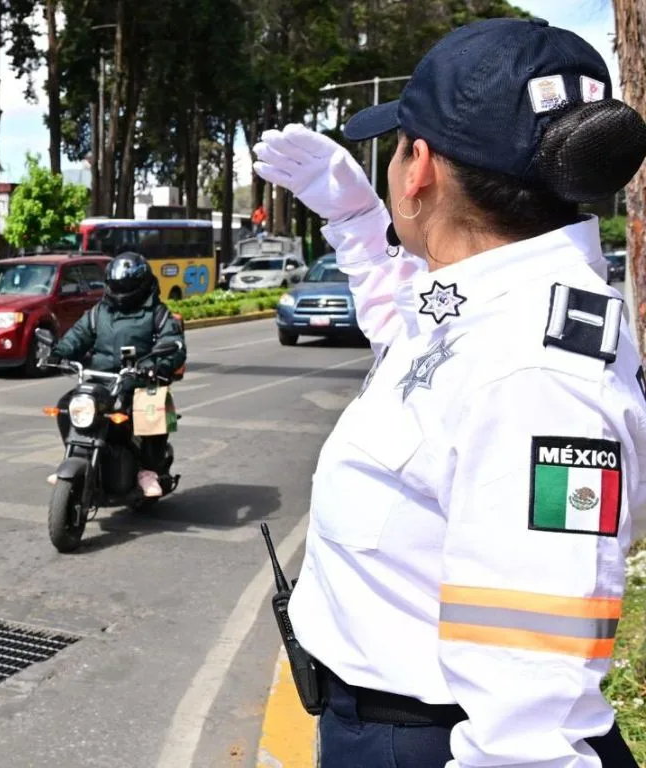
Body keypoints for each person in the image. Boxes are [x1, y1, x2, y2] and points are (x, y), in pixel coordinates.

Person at [253, 17, 646, 768]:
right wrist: (360, 221)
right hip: (384, 724)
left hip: (428, 741)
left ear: (421, 167)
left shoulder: (538, 379)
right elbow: (412, 340)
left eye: (397, 148)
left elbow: (533, 717)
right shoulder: (491, 308)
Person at [44, 252, 187, 497]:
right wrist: (58, 353)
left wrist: (156, 364)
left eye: (126, 284)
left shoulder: (157, 313)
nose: (121, 289)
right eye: (117, 284)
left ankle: (148, 470)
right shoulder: (99, 312)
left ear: (140, 284)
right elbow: (78, 335)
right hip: (100, 379)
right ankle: (75, 454)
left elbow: (173, 342)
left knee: (150, 408)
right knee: (66, 407)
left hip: (139, 380)